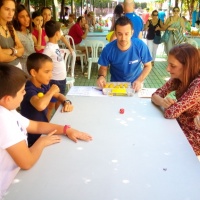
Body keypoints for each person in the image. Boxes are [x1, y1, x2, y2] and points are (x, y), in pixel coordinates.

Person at [0, 63, 92, 199]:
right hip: (8, 190)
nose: (24, 94)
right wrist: (42, 141)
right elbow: (27, 162)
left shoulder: (8, 111)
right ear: (7, 99)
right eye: (22, 92)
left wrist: (66, 129)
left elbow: (36, 126)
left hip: (16, 180)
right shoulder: (3, 120)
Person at [151, 43, 200, 158]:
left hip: (192, 135)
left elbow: (170, 113)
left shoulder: (197, 85)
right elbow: (155, 95)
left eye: (172, 66)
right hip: (177, 126)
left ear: (186, 66)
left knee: (158, 149)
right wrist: (163, 102)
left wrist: (168, 105)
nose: (167, 69)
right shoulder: (178, 78)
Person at [20, 53, 74, 147]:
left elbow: (58, 95)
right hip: (32, 137)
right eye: (46, 72)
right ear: (34, 73)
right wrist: (51, 92)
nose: (50, 75)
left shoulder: (43, 84)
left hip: (42, 130)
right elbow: (40, 106)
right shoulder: (28, 89)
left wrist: (66, 102)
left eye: (51, 71)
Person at [97, 16, 152, 92]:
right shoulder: (108, 49)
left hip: (136, 84)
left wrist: (139, 80)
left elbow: (148, 66)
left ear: (132, 33)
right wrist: (101, 76)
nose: (123, 38)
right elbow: (103, 68)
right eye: (120, 34)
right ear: (115, 33)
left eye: (126, 34)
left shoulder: (140, 46)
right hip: (116, 86)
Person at [43, 20, 75, 120]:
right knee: (50, 106)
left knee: (59, 102)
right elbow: (42, 63)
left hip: (61, 79)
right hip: (54, 81)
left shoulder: (54, 45)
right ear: (57, 33)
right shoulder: (48, 48)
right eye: (60, 31)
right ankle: (46, 122)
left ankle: (58, 120)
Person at [0, 0, 24, 68]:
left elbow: (22, 49)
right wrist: (15, 54)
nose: (11, 13)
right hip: (5, 74)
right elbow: (1, 57)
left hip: (17, 69)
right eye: (7, 9)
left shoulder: (10, 27)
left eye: (13, 10)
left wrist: (11, 51)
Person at [13, 4, 35, 74]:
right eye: (22, 17)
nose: (26, 19)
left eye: (27, 16)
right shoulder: (16, 34)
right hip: (23, 68)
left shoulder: (28, 32)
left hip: (33, 66)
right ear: (16, 18)